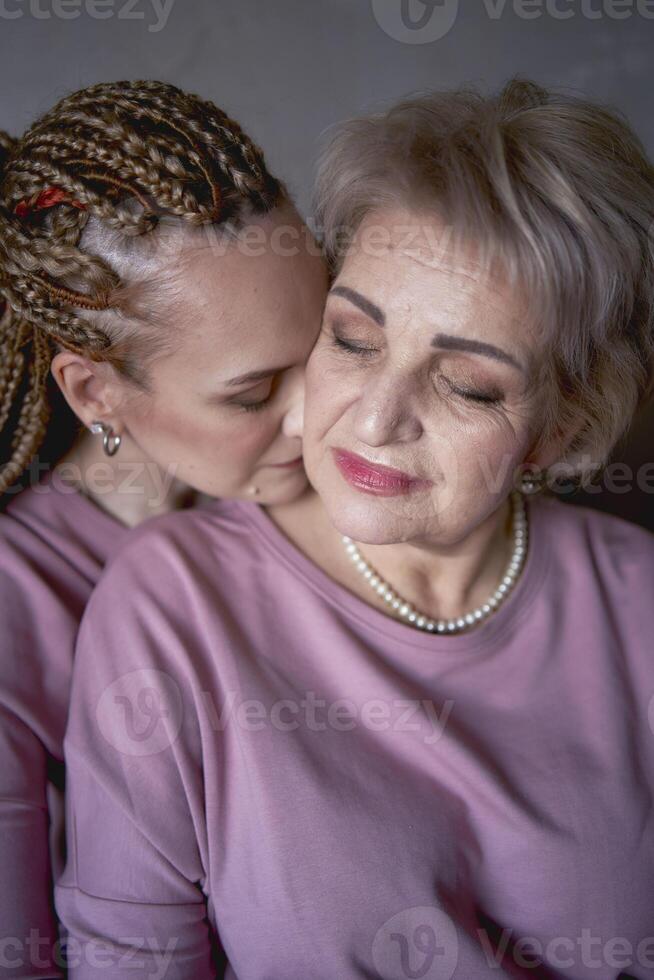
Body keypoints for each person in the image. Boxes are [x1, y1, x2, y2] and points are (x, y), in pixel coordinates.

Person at [56, 78, 654, 979]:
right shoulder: (173, 608)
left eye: (467, 385)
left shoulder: (637, 597)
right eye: (354, 339)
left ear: (559, 430)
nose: (373, 420)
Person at [0, 80, 326, 978]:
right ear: (96, 394)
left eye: (332, 347)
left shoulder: (339, 505)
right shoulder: (15, 609)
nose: (318, 419)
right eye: (256, 393)